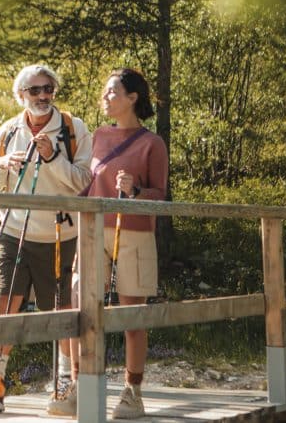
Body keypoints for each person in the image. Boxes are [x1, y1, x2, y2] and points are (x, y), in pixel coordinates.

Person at [0, 64, 92, 413]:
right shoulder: (8, 131)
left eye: (49, 89)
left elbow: (82, 181)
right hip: (14, 230)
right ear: (21, 96)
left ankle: (64, 385)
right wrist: (2, 165)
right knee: (5, 302)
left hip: (61, 235)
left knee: (59, 311)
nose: (43, 96)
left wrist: (51, 157)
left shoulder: (74, 129)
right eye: (35, 90)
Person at [47, 67, 169, 419]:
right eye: (105, 91)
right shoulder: (98, 136)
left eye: (112, 92)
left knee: (132, 315)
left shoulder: (152, 143)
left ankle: (133, 393)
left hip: (134, 233)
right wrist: (68, 203)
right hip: (93, 231)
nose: (106, 97)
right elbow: (88, 183)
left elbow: (160, 196)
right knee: (76, 306)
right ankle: (76, 388)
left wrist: (134, 190)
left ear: (133, 98)